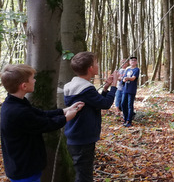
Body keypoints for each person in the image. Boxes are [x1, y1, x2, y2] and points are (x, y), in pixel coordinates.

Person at [0, 64, 83, 182]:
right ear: (24, 86)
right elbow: (45, 124)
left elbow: (40, 114)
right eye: (32, 78)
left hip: (24, 166)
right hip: (24, 169)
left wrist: (64, 111)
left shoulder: (15, 102)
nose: (35, 81)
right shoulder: (17, 111)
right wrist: (66, 118)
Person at [64, 51, 118, 182]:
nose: (98, 65)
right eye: (96, 63)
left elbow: (96, 102)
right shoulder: (86, 89)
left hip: (76, 134)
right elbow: (105, 104)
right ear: (90, 68)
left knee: (80, 171)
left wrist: (106, 88)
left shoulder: (76, 86)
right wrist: (115, 86)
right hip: (82, 137)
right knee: (84, 175)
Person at [121, 56, 139, 127]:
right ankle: (125, 118)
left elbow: (133, 78)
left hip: (131, 90)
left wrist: (127, 78)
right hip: (125, 89)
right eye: (132, 60)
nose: (133, 62)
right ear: (129, 62)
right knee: (122, 104)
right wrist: (123, 79)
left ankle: (129, 121)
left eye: (134, 60)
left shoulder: (136, 69)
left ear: (136, 62)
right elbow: (123, 79)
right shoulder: (127, 70)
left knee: (130, 105)